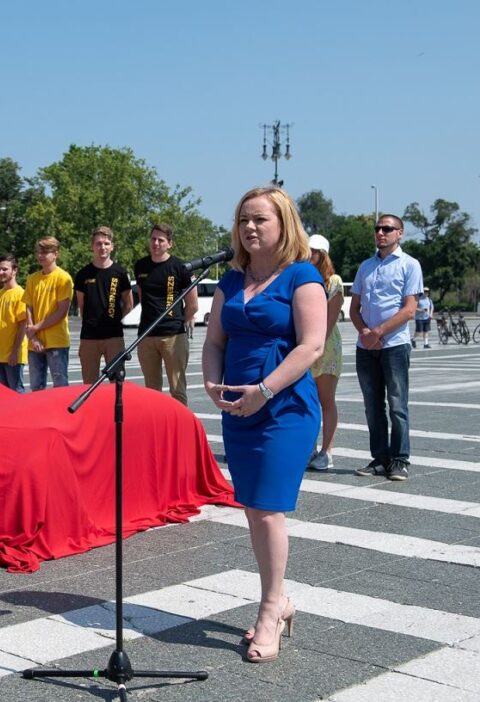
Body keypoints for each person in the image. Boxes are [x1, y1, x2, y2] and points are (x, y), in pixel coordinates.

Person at [202, 186, 326, 663]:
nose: (250, 227)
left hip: (284, 409)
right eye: (243, 220)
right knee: (253, 507)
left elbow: (310, 346)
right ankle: (283, 599)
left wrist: (265, 391)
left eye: (260, 219)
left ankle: (271, 608)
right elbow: (214, 341)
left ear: (283, 225)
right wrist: (213, 384)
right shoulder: (231, 282)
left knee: (270, 508)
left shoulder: (302, 276)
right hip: (238, 408)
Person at [351, 214, 424, 481]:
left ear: (400, 233)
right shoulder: (365, 267)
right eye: (378, 228)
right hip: (366, 346)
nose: (381, 233)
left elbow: (409, 310)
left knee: (397, 405)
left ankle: (400, 459)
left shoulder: (409, 265)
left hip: (394, 345)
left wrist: (378, 332)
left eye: (388, 229)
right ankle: (379, 458)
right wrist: (365, 333)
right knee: (372, 406)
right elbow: (353, 308)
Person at [133, 223, 197, 405]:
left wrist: (176, 322)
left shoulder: (181, 267)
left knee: (177, 390)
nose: (156, 243)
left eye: (161, 240)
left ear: (169, 243)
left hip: (173, 336)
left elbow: (192, 305)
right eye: (153, 239)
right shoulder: (141, 266)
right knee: (151, 391)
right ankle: (157, 429)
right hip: (146, 335)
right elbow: (142, 296)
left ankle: (181, 429)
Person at [74, 226, 133, 384]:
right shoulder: (82, 274)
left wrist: (114, 318)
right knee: (89, 385)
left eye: (106, 243)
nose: (103, 247)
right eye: (98, 243)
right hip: (89, 337)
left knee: (117, 383)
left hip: (114, 336)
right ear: (92, 246)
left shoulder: (120, 273)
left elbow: (128, 304)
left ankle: (115, 410)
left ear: (112, 246)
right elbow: (82, 306)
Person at [305, 234, 343, 471]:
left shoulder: (333, 281)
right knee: (306, 400)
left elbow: (331, 318)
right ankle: (309, 448)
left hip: (326, 345)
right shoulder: (301, 276)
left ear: (323, 254)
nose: (308, 254)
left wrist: (316, 346)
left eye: (313, 251)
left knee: (325, 400)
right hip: (305, 344)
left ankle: (327, 451)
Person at [24, 236, 73, 390]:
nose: (40, 255)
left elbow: (61, 312)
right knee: (36, 387)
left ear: (56, 254)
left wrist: (35, 328)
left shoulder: (63, 278)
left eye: (45, 252)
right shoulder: (32, 279)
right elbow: (28, 308)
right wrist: (33, 337)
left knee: (60, 386)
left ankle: (63, 415)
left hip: (57, 341)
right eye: (38, 252)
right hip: (34, 343)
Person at [0, 255, 28, 392]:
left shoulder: (20, 294)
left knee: (16, 392)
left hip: (12, 355)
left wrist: (15, 351)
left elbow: (23, 325)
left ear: (14, 271)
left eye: (5, 269)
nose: (1, 272)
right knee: (3, 393)